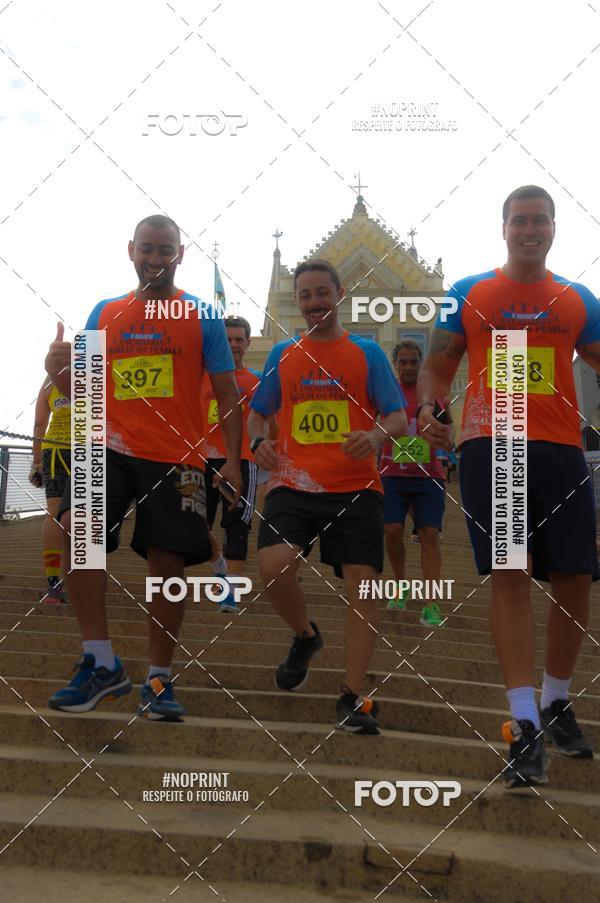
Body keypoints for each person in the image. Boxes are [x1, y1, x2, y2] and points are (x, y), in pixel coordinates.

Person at [418, 185, 600, 787]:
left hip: (562, 449)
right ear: (504, 229)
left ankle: (555, 698)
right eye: (519, 220)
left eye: (539, 220)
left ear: (553, 229)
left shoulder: (577, 299)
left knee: (575, 576)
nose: (530, 229)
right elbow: (439, 365)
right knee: (511, 571)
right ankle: (523, 721)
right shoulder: (471, 293)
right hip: (493, 444)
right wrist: (428, 406)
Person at [44, 214, 242, 721]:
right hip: (105, 445)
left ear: (181, 255)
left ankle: (158, 678)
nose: (155, 259)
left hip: (177, 455)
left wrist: (234, 464)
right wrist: (59, 373)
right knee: (76, 532)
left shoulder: (202, 316)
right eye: (147, 249)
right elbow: (84, 393)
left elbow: (227, 394)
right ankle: (101, 661)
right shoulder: (104, 311)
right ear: (131, 250)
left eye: (166, 251)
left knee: (168, 562)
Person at [248, 258, 407, 735]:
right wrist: (259, 443)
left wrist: (376, 437)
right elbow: (259, 415)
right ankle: (306, 636)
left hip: (357, 487)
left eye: (322, 292)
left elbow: (397, 418)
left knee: (362, 582)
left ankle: (352, 695)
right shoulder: (283, 353)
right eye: (305, 295)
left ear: (338, 295)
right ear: (297, 302)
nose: (314, 302)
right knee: (274, 567)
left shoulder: (367, 355)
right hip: (294, 483)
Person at [379, 340, 447, 626]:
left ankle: (431, 602)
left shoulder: (431, 395)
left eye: (413, 362)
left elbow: (447, 430)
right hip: (392, 473)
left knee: (429, 534)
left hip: (428, 475)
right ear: (396, 364)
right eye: (403, 362)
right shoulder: (385, 392)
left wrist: (445, 436)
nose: (408, 367)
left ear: (420, 364)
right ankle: (400, 585)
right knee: (393, 530)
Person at [201, 315, 264, 613]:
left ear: (248, 343)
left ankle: (229, 594)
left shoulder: (256, 380)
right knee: (193, 526)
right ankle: (220, 566)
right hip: (201, 459)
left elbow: (269, 422)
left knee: (237, 528)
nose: (234, 345)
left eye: (239, 339)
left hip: (240, 462)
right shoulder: (201, 376)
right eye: (227, 339)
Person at [29, 379, 72, 604]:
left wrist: (37, 463)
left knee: (54, 513)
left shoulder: (48, 384)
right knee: (90, 513)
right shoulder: (97, 377)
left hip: (54, 451)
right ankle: (87, 579)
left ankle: (54, 585)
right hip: (92, 449)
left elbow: (39, 425)